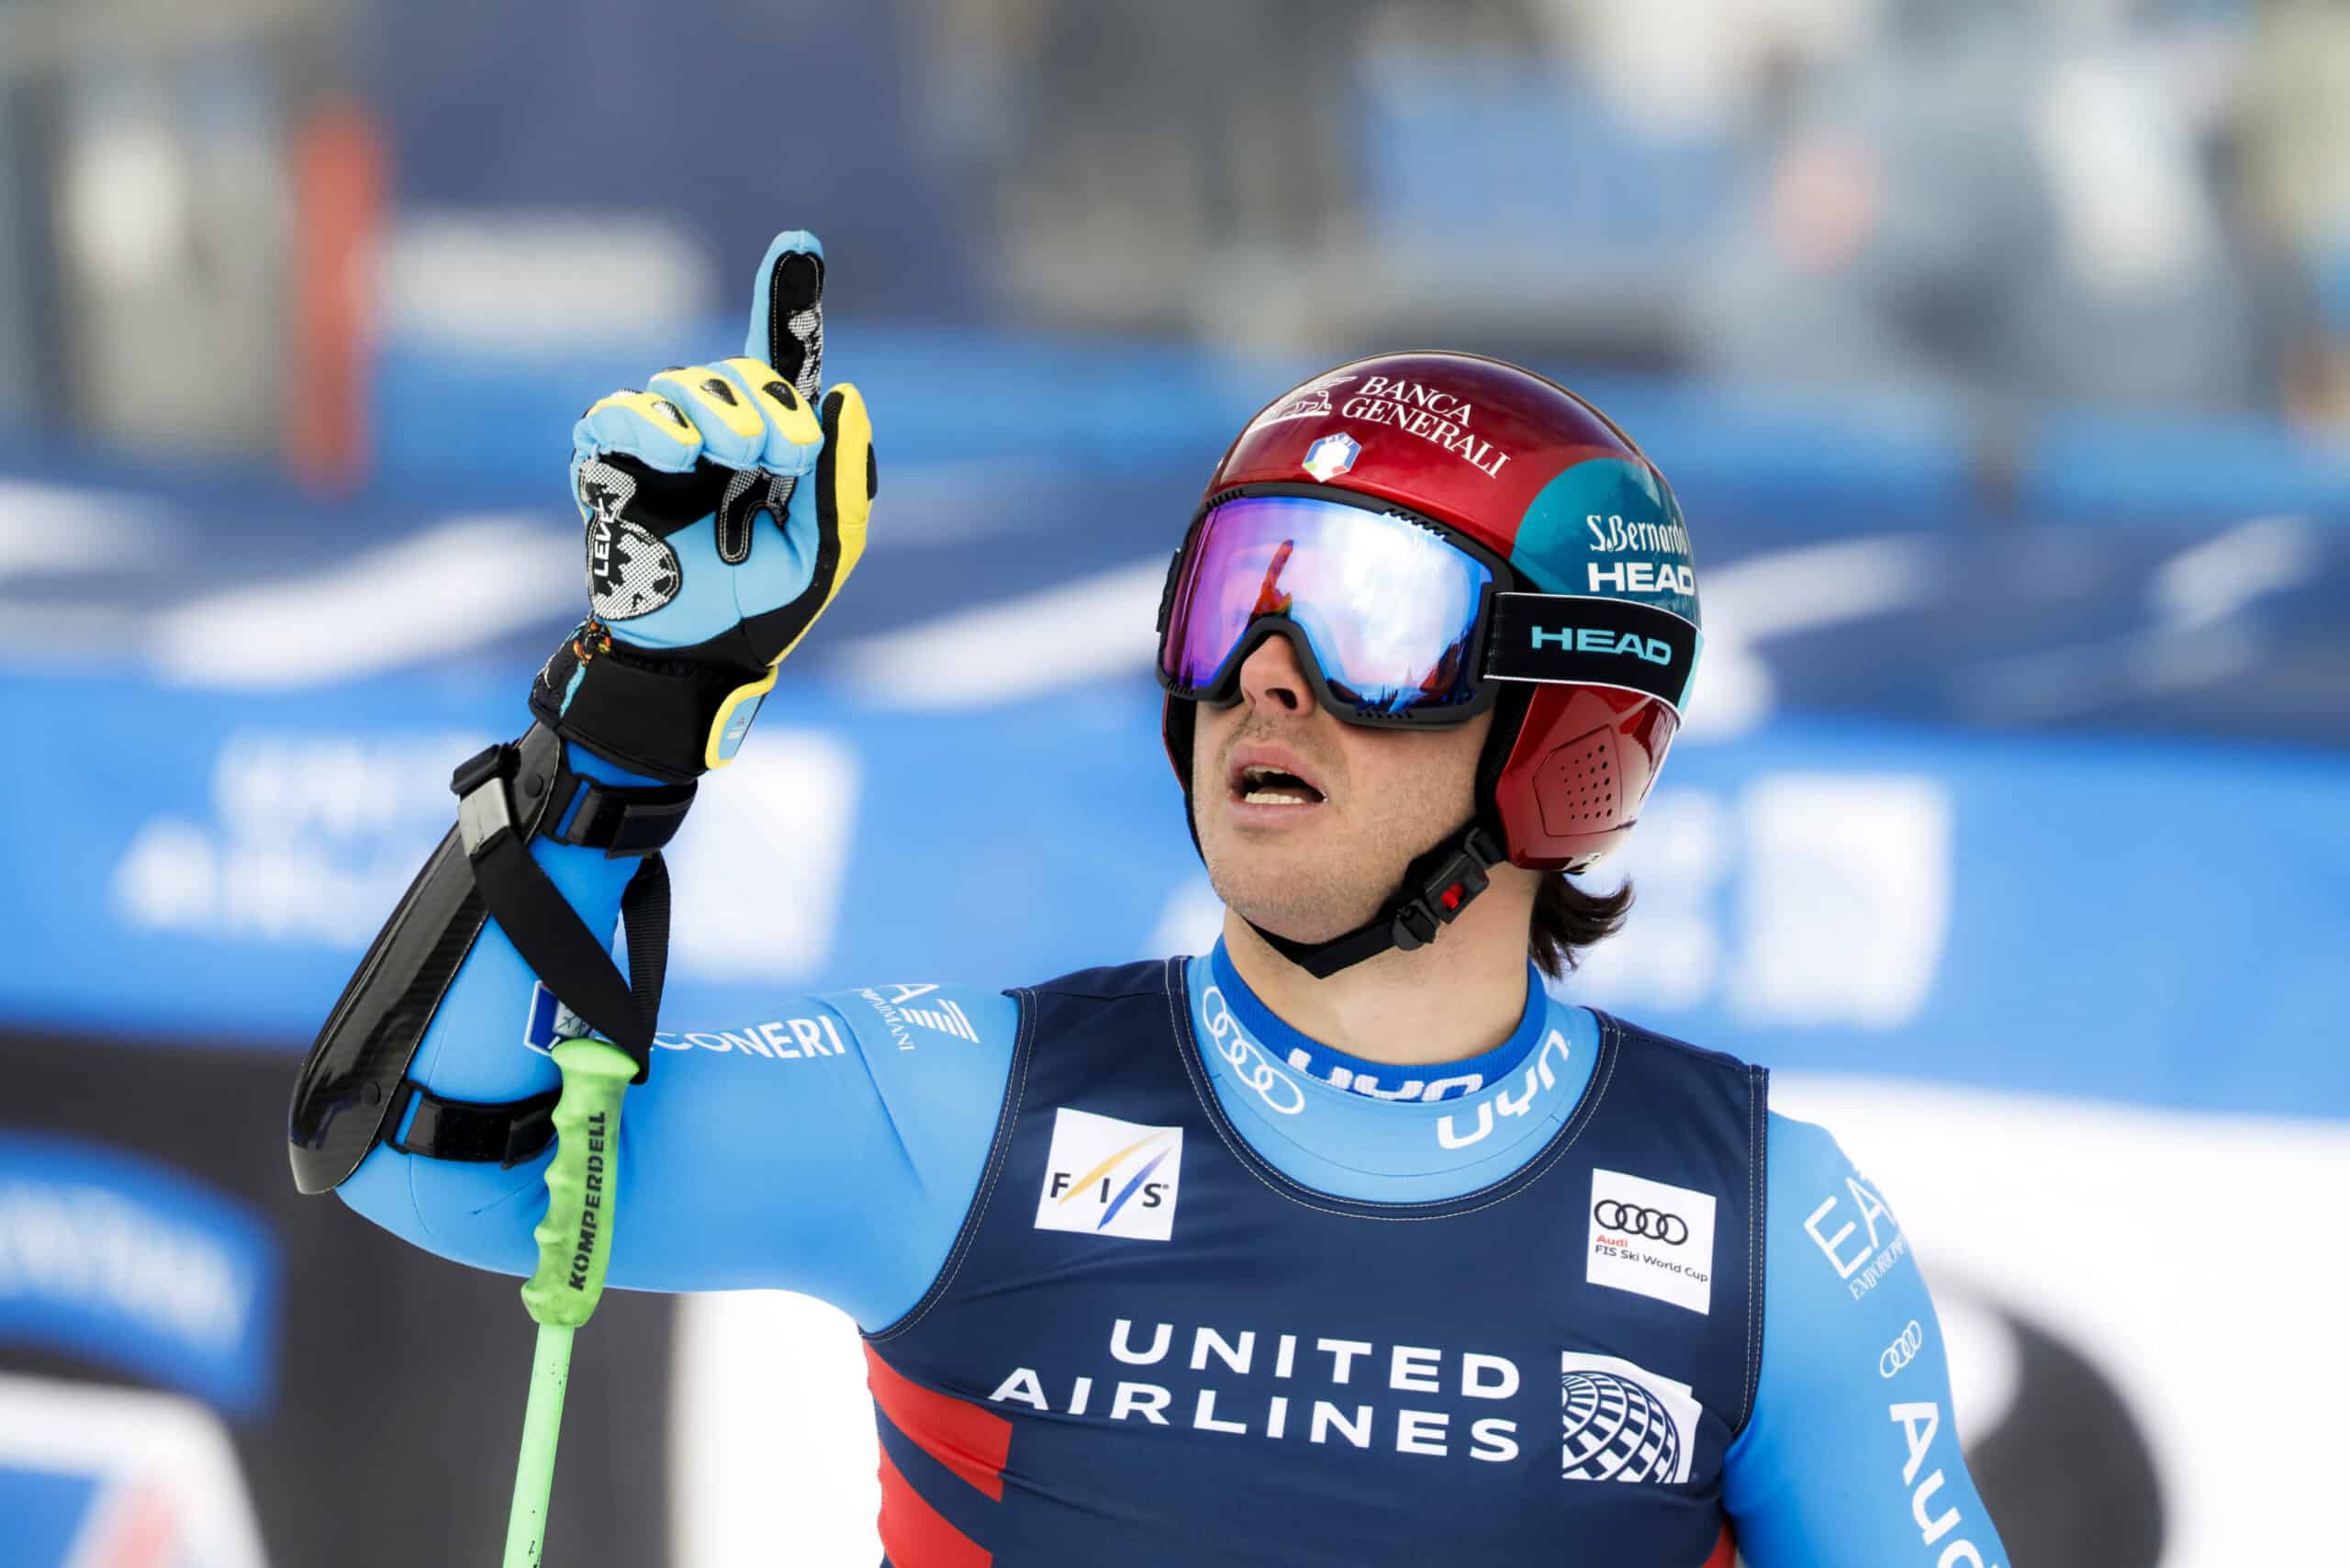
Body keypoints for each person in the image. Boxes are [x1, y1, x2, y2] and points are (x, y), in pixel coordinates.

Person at [288, 232, 2006, 1567]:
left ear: (1566, 732)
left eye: (1371, 618)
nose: (1268, 674)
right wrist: (634, 708)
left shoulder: (1763, 1230)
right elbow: (421, 1157)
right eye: (1233, 597)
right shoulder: (968, 1112)